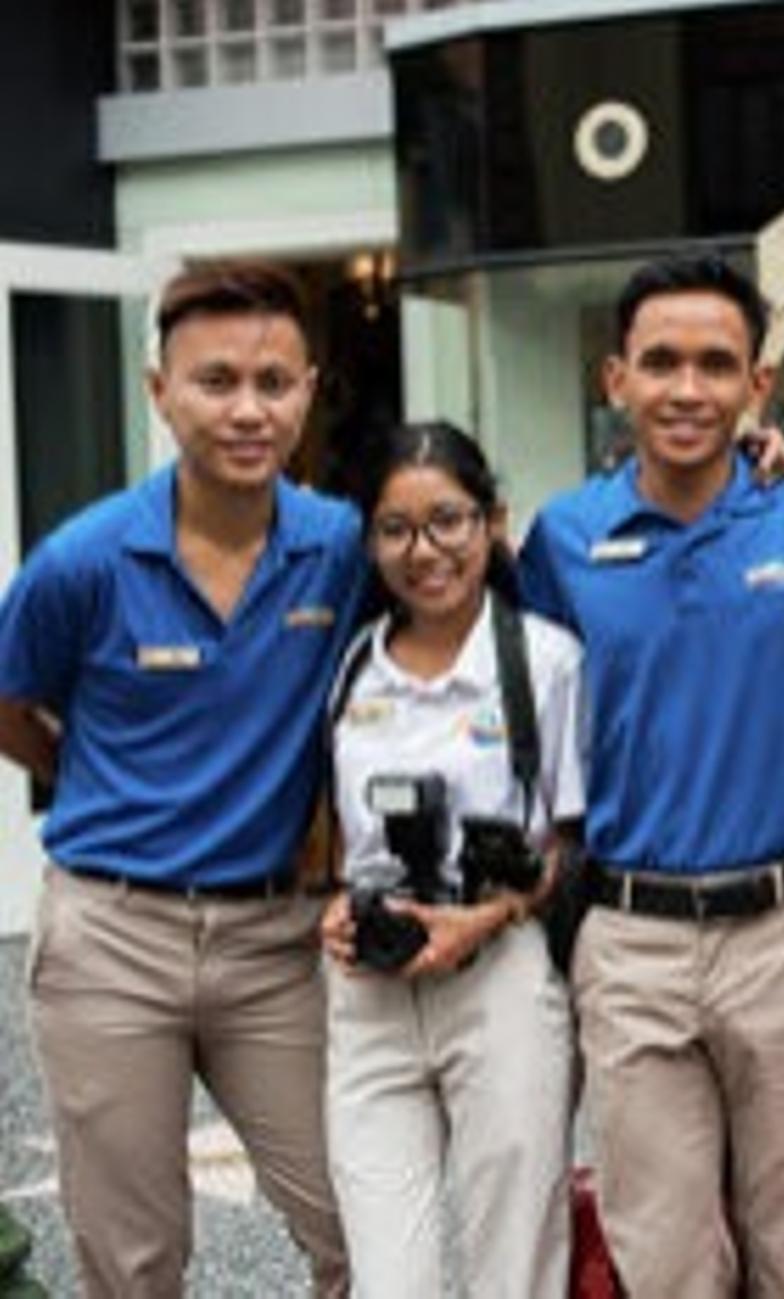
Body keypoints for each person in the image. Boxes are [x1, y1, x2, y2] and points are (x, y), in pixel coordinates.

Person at [517, 254, 784, 1298]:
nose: (688, 389)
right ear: (616, 379)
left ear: (757, 385)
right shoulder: (562, 537)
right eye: (662, 362)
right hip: (627, 939)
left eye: (716, 365)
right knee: (668, 1262)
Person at [0, 262, 353, 1298]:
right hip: (112, 942)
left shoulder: (339, 548)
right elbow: (7, 694)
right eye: (216, 381)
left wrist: (757, 462)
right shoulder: (84, 559)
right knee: (133, 1260)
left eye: (273, 383)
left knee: (364, 1219)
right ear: (160, 391)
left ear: (308, 392)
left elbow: (467, 565)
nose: (248, 409)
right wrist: (75, 771)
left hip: (274, 944)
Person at [316, 422, 580, 1297]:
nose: (424, 550)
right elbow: (332, 833)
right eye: (396, 529)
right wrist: (334, 903)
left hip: (499, 979)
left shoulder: (545, 662)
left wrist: (489, 913)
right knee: (389, 1273)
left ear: (493, 522)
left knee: (516, 1263)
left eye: (448, 521)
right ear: (370, 541)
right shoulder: (352, 666)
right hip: (371, 988)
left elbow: (573, 843)